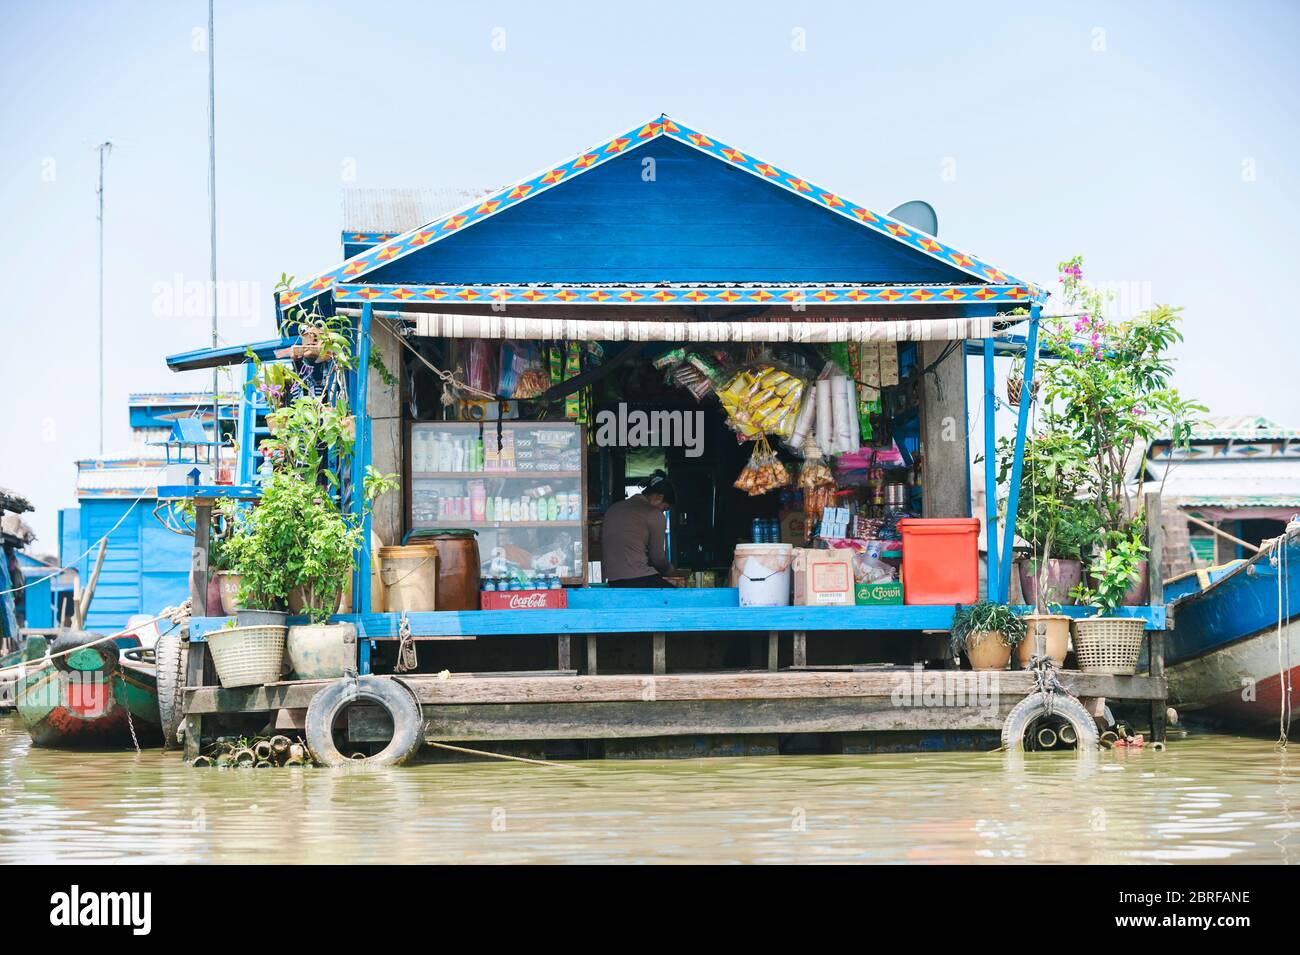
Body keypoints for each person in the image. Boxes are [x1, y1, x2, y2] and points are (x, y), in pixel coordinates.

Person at [602, 476, 677, 587]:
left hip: (613, 580)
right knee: (677, 596)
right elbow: (657, 558)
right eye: (664, 508)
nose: (663, 512)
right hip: (638, 578)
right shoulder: (654, 514)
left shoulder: (613, 508)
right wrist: (671, 571)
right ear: (659, 497)